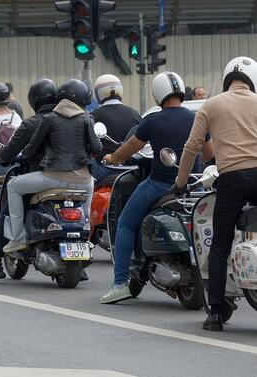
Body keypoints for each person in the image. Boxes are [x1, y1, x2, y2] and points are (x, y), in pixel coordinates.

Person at [99, 71, 213, 304]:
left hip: (160, 183)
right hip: (195, 185)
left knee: (125, 223)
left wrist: (111, 159)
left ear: (158, 94)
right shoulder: (197, 117)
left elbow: (128, 150)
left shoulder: (153, 120)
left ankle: (120, 283)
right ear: (181, 90)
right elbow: (210, 153)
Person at [173, 56, 257, 331]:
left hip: (231, 179)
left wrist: (180, 181)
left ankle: (217, 313)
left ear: (226, 80)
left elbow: (191, 147)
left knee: (220, 245)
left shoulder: (212, 104)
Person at [3, 79, 102, 253]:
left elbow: (29, 151)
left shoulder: (49, 119)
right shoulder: (87, 118)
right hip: (84, 182)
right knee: (88, 199)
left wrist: (25, 156)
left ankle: (18, 238)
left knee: (13, 186)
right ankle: (84, 234)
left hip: (53, 179)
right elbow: (97, 148)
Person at [0, 78, 58, 280]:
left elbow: (15, 152)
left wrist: (3, 157)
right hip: (79, 179)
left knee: (8, 207)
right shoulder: (73, 119)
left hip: (41, 176)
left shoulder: (33, 123)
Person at [91, 74, 142, 183]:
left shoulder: (93, 115)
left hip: (106, 168)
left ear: (98, 93)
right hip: (132, 167)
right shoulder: (135, 114)